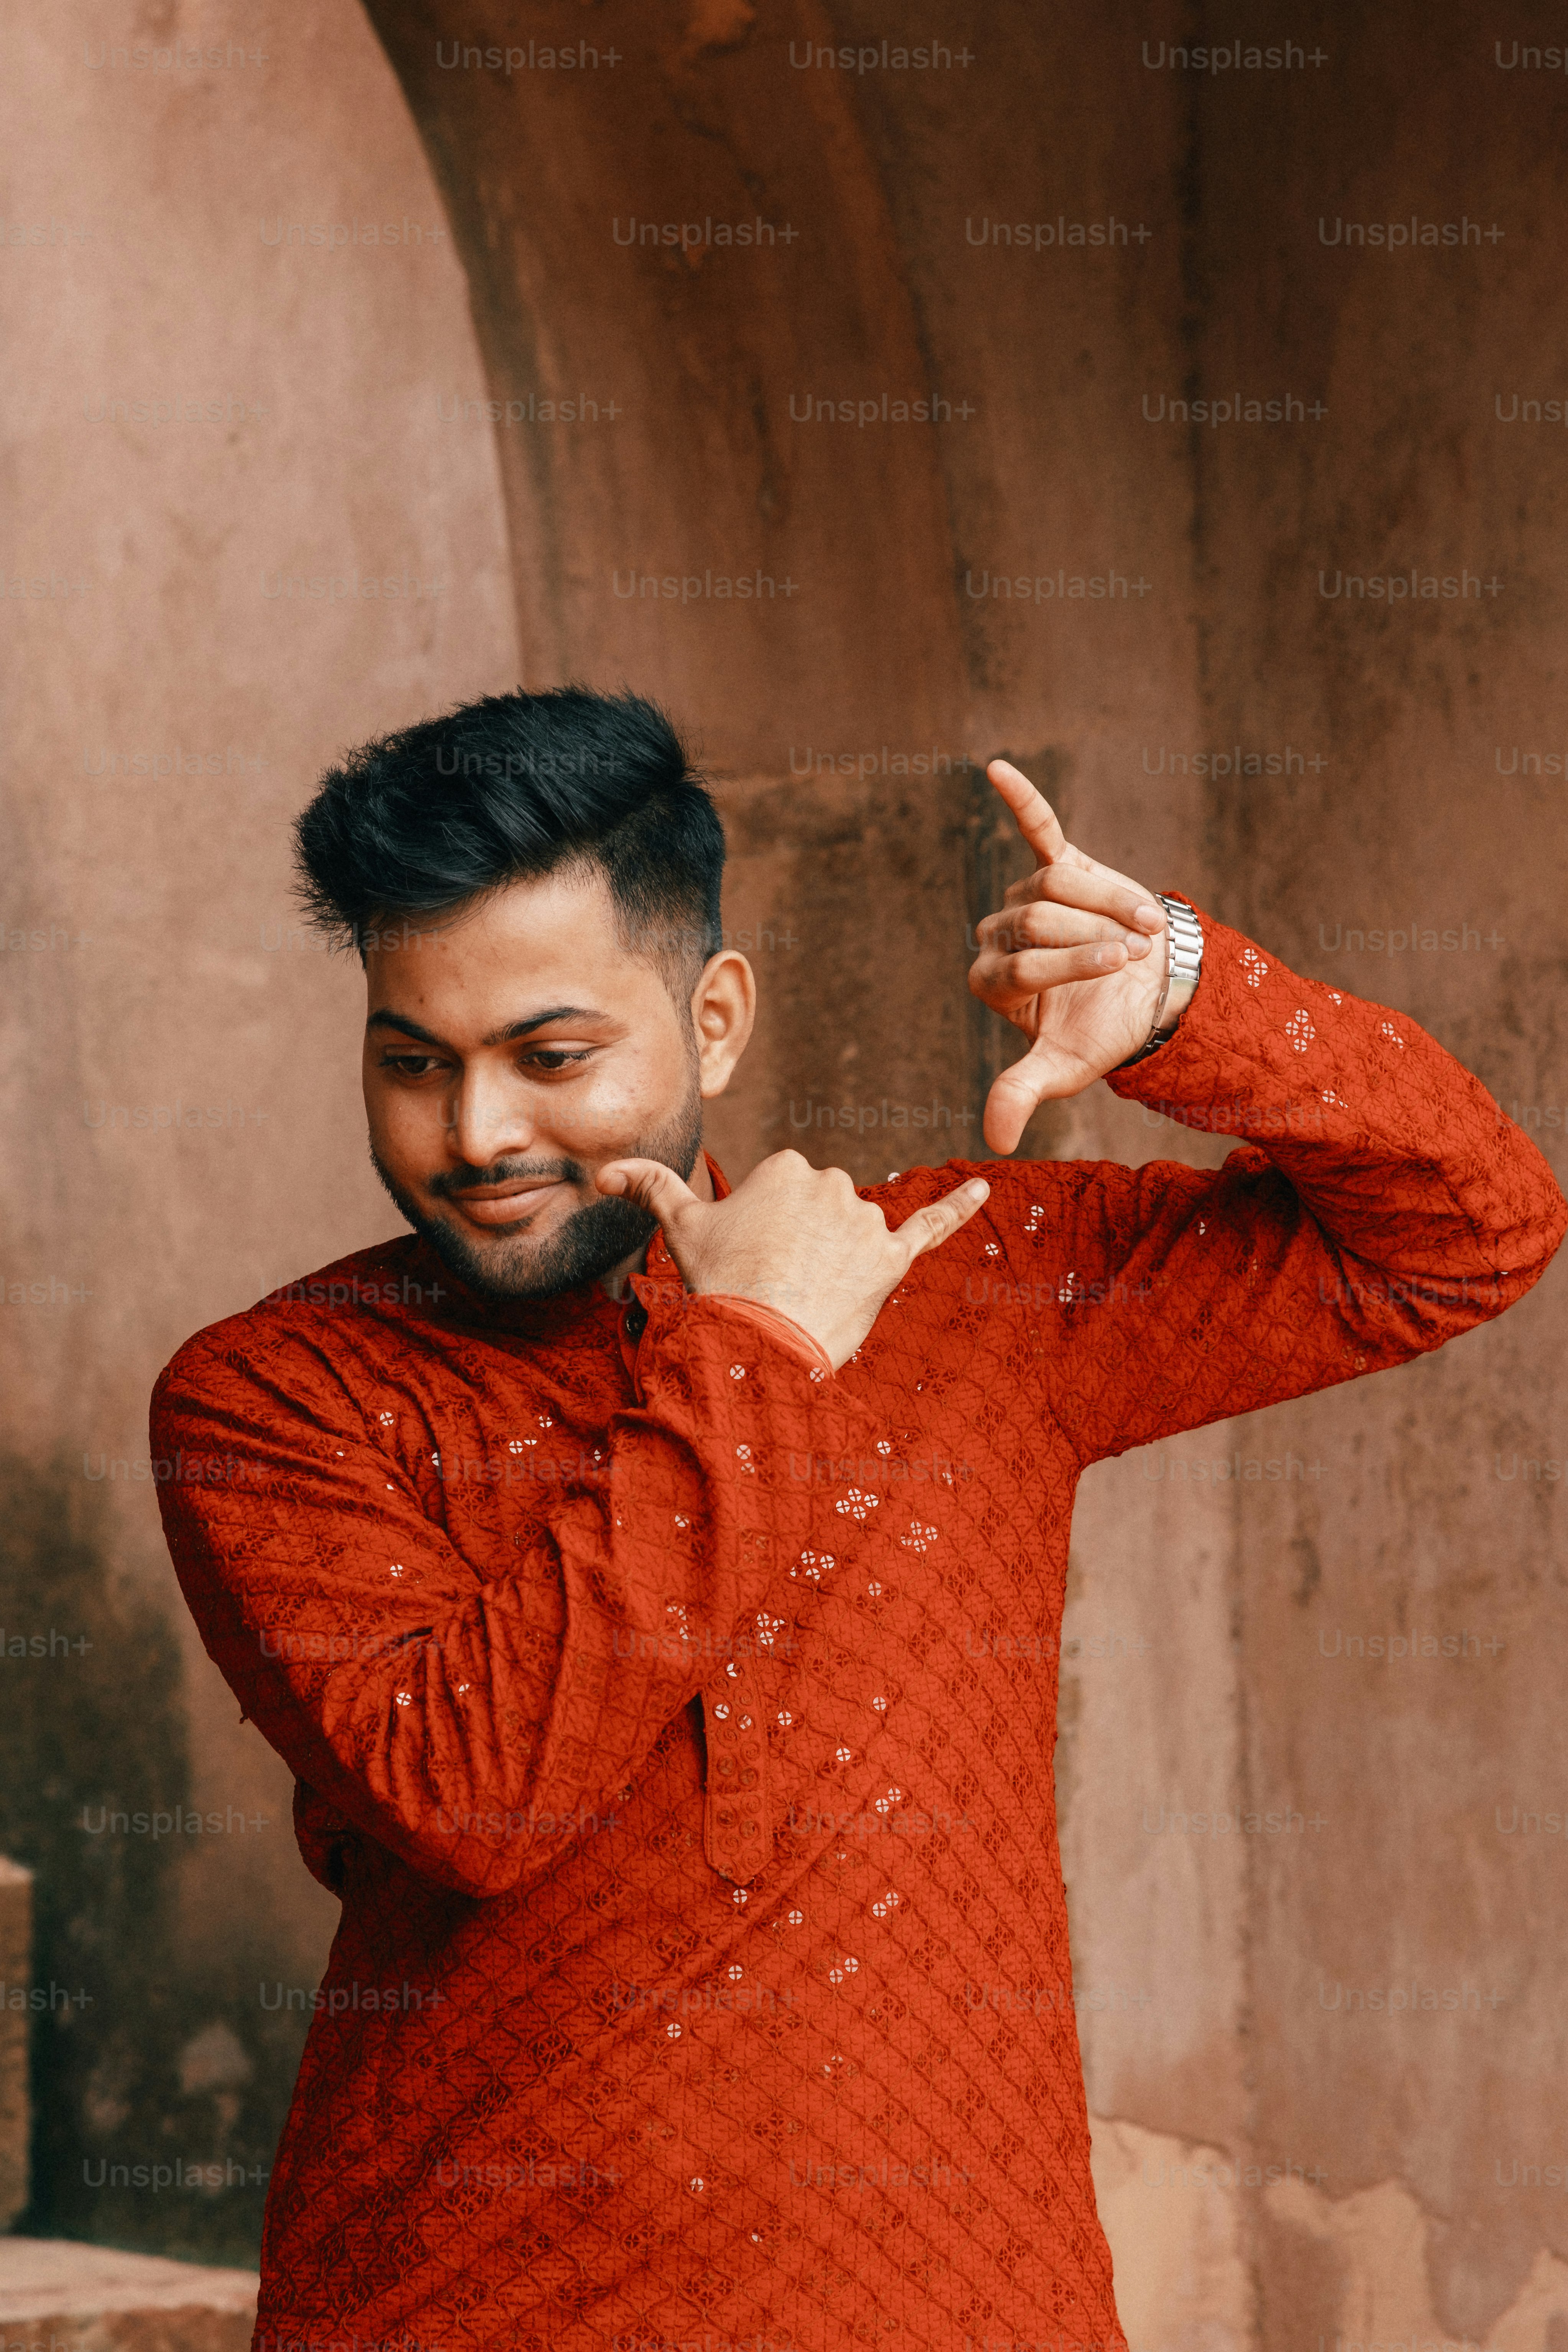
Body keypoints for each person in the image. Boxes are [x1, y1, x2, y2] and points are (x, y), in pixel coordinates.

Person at [151, 686, 1565, 2352]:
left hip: (970, 2308)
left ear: (715, 1019)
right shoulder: (275, 1395)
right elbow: (480, 1793)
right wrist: (758, 1347)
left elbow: (1467, 1232)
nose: (478, 1133)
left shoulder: (970, 1279)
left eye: (551, 1056)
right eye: (413, 1062)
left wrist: (1191, 1001)